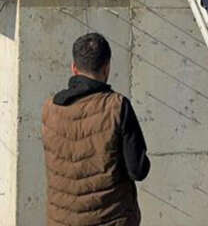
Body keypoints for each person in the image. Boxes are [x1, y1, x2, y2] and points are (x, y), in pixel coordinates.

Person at [42, 32, 150, 226]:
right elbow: (138, 170)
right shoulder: (117, 106)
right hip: (111, 219)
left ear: (74, 68)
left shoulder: (50, 108)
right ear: (107, 68)